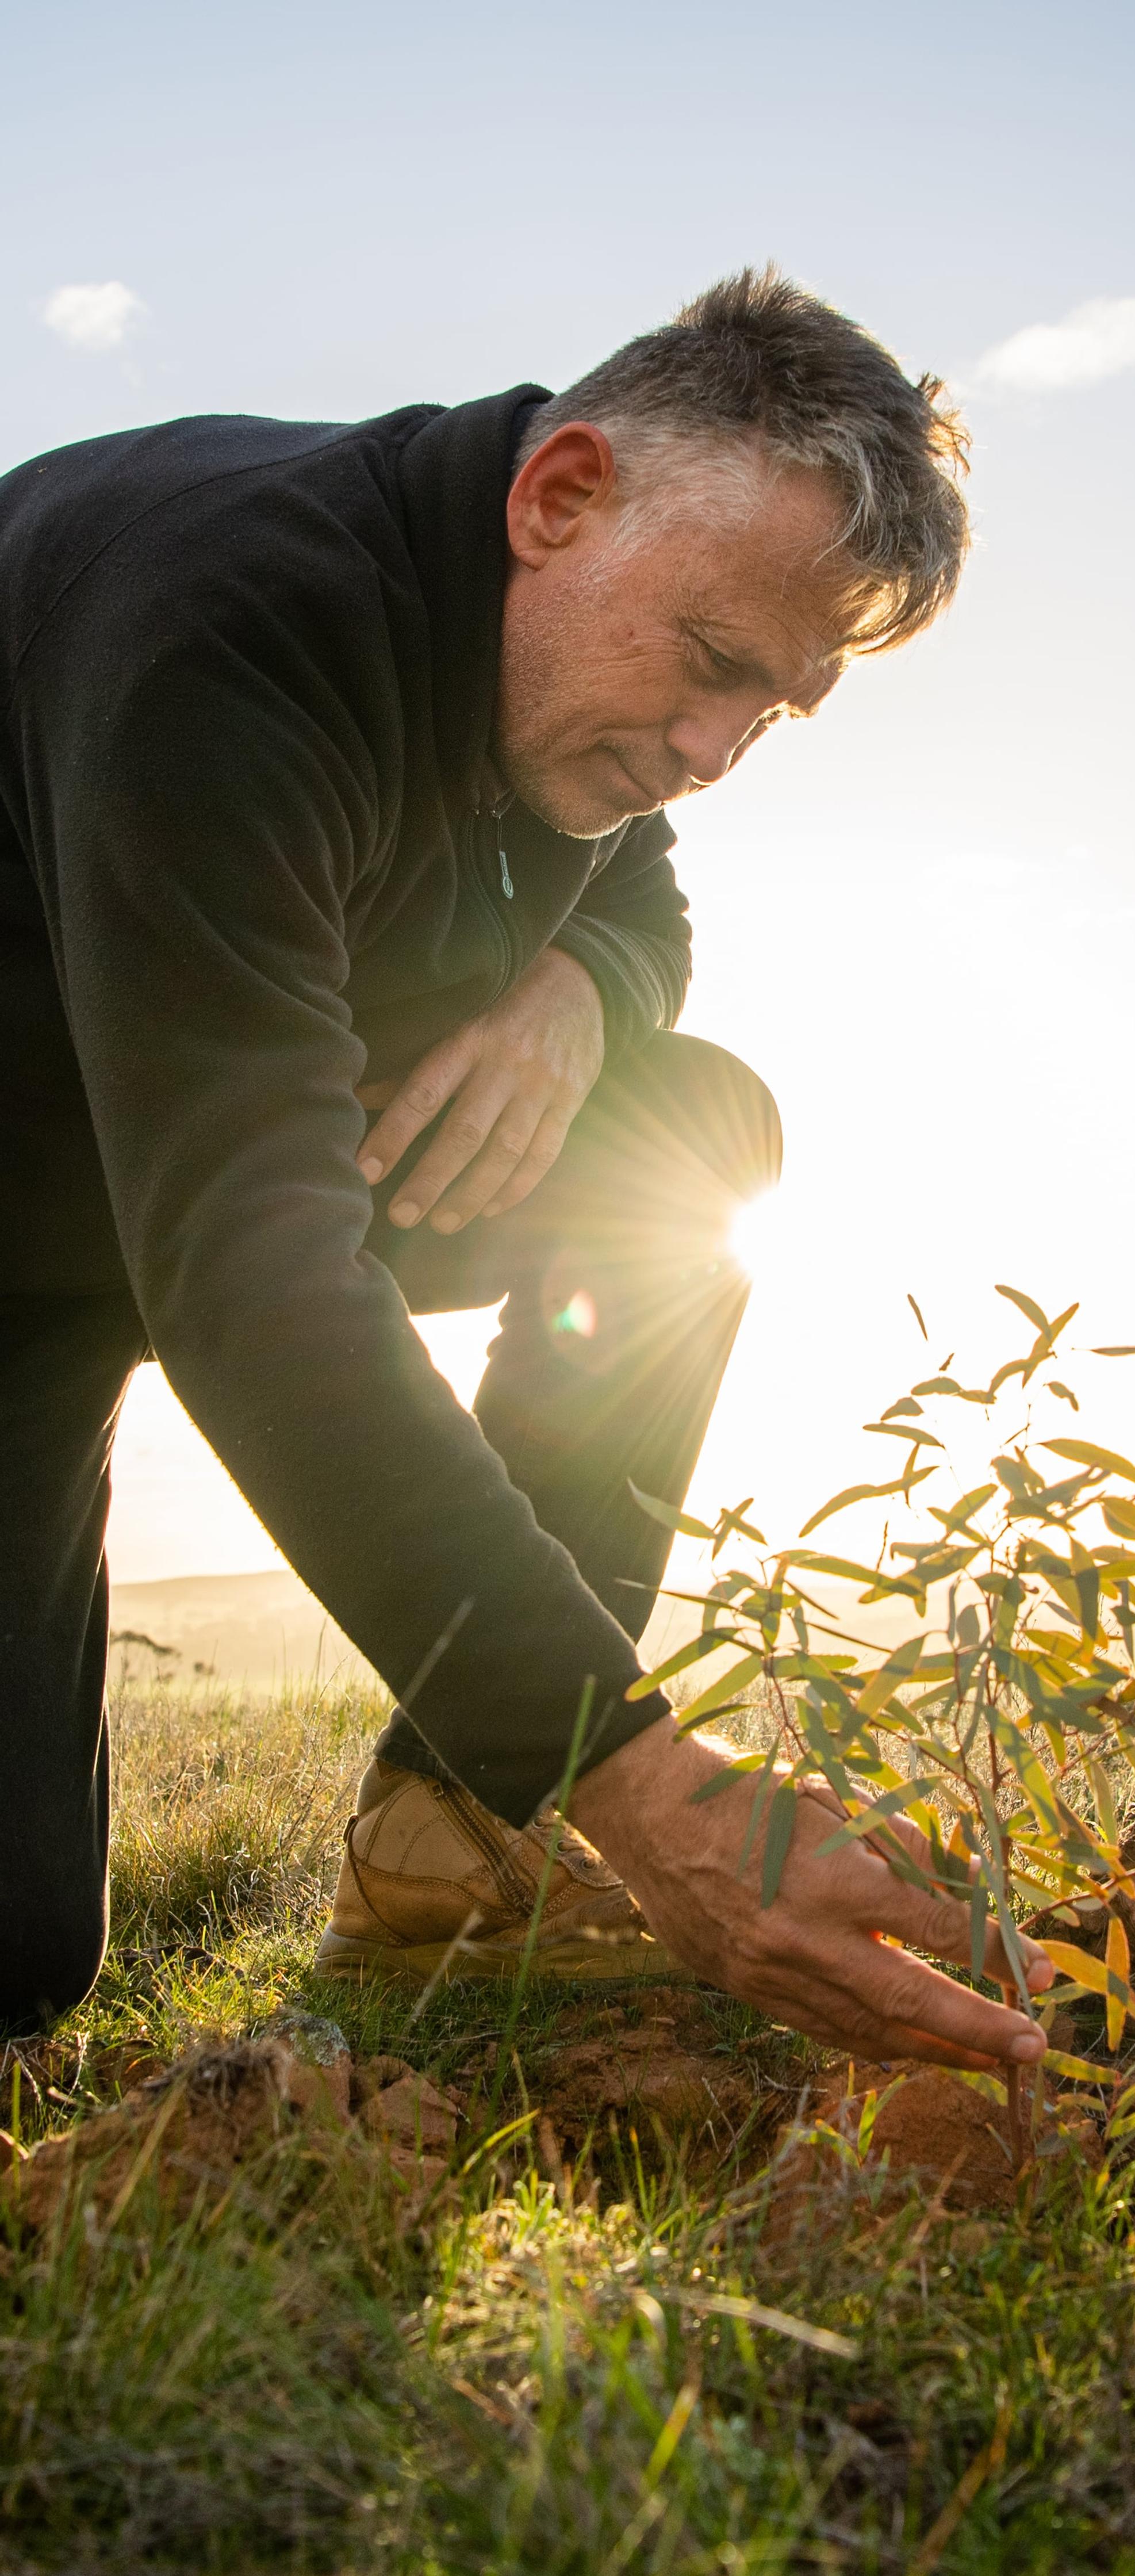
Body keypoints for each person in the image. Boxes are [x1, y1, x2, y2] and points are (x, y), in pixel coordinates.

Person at [0, 268, 1051, 2064]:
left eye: (774, 716)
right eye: (716, 668)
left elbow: (640, 892)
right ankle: (555, 1786)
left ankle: (446, 1834)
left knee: (686, 1128)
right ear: (560, 496)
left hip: (145, 1192)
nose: (713, 756)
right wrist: (644, 1786)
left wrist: (585, 985)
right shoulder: (227, 624)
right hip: (47, 1227)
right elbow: (259, 1278)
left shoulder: (548, 676)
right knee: (12, 1954)